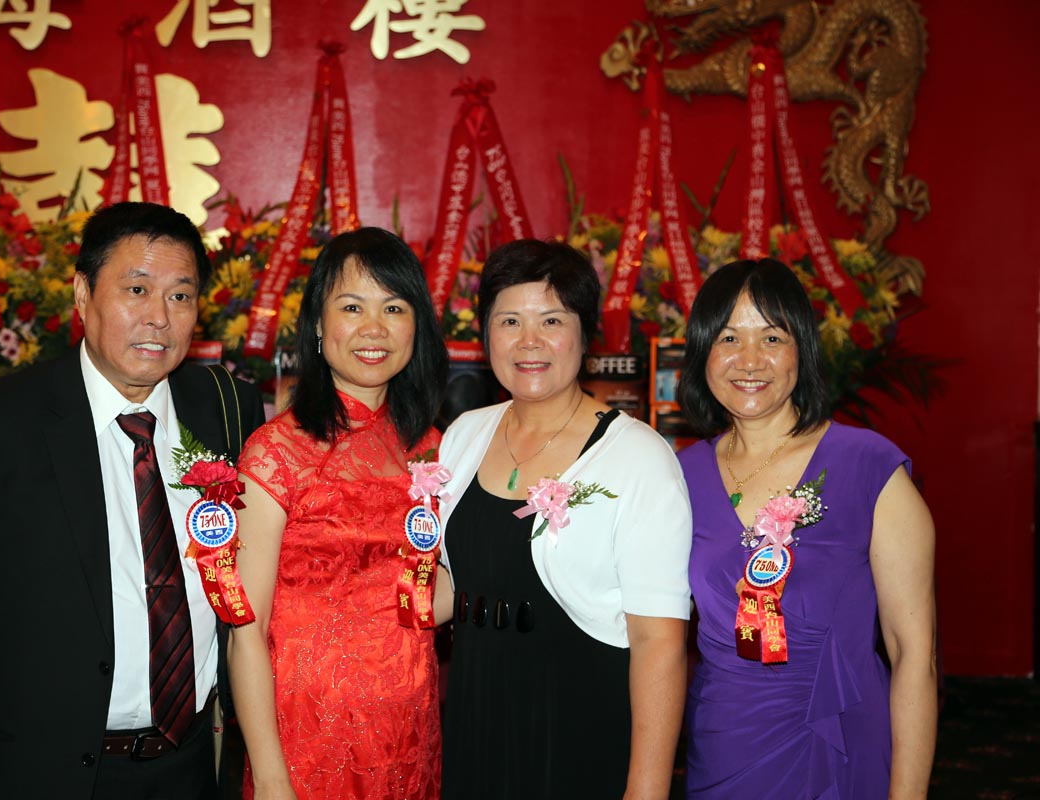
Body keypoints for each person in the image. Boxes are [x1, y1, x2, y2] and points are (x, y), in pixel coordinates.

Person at [0, 201, 265, 799]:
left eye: (180, 296)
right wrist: (7, 711)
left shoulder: (225, 411)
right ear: (83, 294)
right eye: (137, 289)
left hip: (185, 769)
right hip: (32, 772)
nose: (159, 318)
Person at [436, 239, 692, 800]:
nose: (529, 340)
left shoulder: (639, 458)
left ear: (585, 333)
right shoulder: (463, 435)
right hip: (477, 723)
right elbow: (453, 581)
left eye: (551, 320)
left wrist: (647, 789)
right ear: (485, 334)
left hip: (577, 729)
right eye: (509, 321)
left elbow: (658, 641)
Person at [676, 258, 937, 798]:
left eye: (773, 337)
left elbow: (914, 655)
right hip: (724, 738)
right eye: (729, 337)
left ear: (803, 351)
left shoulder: (868, 467)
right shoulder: (680, 475)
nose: (750, 360)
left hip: (839, 734)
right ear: (703, 352)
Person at [226, 227, 448, 799]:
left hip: (407, 739)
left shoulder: (433, 449)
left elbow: (431, 590)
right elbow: (246, 632)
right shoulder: (275, 452)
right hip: (304, 745)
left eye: (393, 308)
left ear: (416, 326)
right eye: (352, 307)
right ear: (319, 326)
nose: (374, 328)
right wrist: (270, 778)